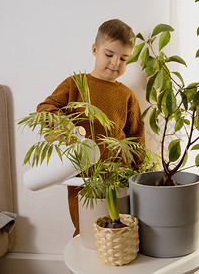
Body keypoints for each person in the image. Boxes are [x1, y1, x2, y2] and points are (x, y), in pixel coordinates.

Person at [36, 19, 145, 236]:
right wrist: (65, 125)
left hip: (116, 178)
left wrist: (137, 174)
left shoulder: (127, 96)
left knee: (116, 232)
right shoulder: (75, 84)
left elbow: (136, 137)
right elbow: (44, 109)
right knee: (86, 229)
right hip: (81, 177)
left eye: (123, 58)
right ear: (95, 50)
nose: (115, 63)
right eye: (109, 54)